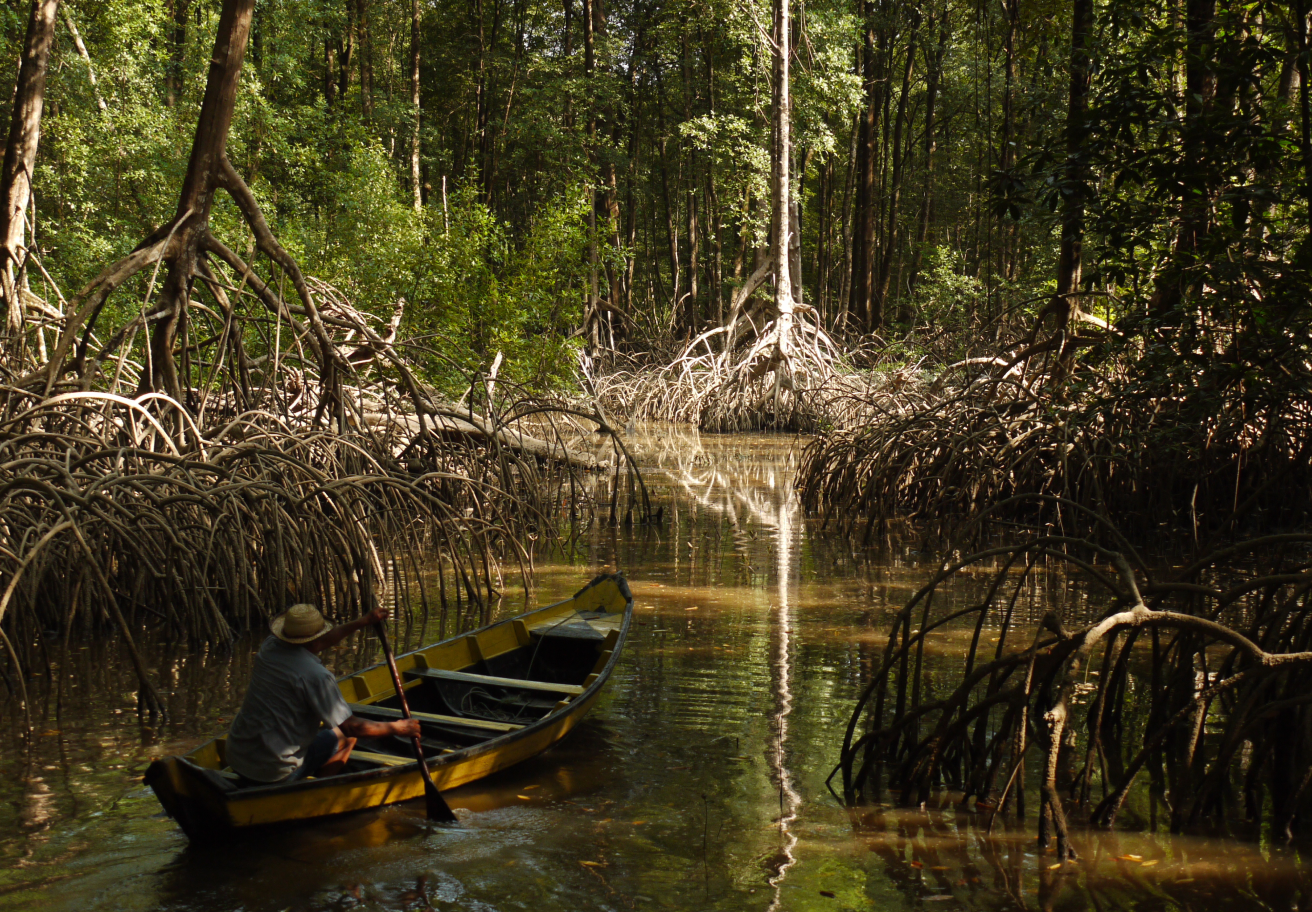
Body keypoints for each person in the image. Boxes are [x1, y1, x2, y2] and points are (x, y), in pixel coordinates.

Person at [225, 602, 421, 785]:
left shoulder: (269, 647)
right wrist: (397, 728)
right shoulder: (316, 676)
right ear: (314, 640)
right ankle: (316, 789)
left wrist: (363, 622)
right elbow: (353, 728)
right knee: (347, 737)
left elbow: (319, 642)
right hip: (275, 771)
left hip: (237, 755)